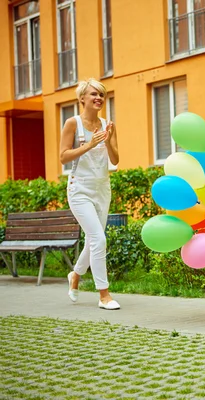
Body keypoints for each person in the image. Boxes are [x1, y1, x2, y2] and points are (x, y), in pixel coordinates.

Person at [59, 78, 120, 310]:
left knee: (94, 239)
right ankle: (104, 295)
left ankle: (75, 275)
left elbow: (115, 160)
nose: (98, 98)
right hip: (79, 189)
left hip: (102, 188)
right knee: (99, 239)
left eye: (101, 95)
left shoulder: (107, 124)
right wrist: (89, 144)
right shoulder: (72, 123)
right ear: (82, 98)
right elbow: (63, 157)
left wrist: (109, 139)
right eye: (94, 94)